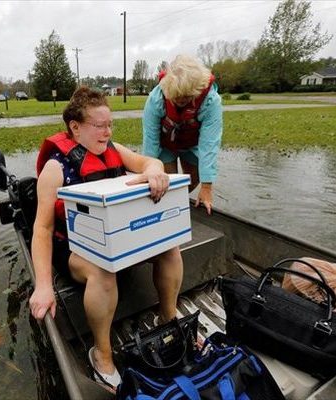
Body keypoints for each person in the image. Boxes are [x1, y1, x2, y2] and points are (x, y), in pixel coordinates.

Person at [30, 87, 184, 390]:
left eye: (109, 124)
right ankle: (101, 353)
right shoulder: (55, 168)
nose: (107, 132)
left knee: (170, 248)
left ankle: (168, 321)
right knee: (103, 270)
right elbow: (42, 230)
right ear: (75, 127)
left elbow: (149, 161)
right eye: (99, 126)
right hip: (75, 246)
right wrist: (44, 285)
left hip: (115, 237)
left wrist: (155, 173)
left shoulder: (114, 149)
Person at [142, 54, 223, 214]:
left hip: (192, 144)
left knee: (194, 180)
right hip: (165, 145)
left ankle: (176, 205)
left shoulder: (211, 101)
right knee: (164, 184)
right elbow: (150, 140)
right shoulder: (156, 98)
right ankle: (166, 208)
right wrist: (149, 173)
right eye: (176, 97)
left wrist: (207, 187)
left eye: (186, 97)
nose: (180, 101)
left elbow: (209, 144)